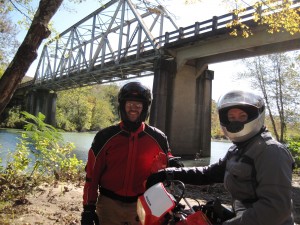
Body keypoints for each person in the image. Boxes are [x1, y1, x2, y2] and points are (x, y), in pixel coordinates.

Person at [146, 90, 295, 225]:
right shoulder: (238, 148)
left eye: (242, 116)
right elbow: (210, 173)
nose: (236, 121)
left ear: (255, 116)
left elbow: (276, 209)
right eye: (231, 117)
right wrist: (169, 173)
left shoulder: (271, 151)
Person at [81, 81, 183, 225]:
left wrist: (172, 162)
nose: (133, 108)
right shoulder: (104, 137)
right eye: (129, 104)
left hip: (144, 204)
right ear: (122, 106)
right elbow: (92, 176)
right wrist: (88, 209)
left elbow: (166, 159)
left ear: (145, 108)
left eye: (138, 105)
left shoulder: (158, 138)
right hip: (109, 205)